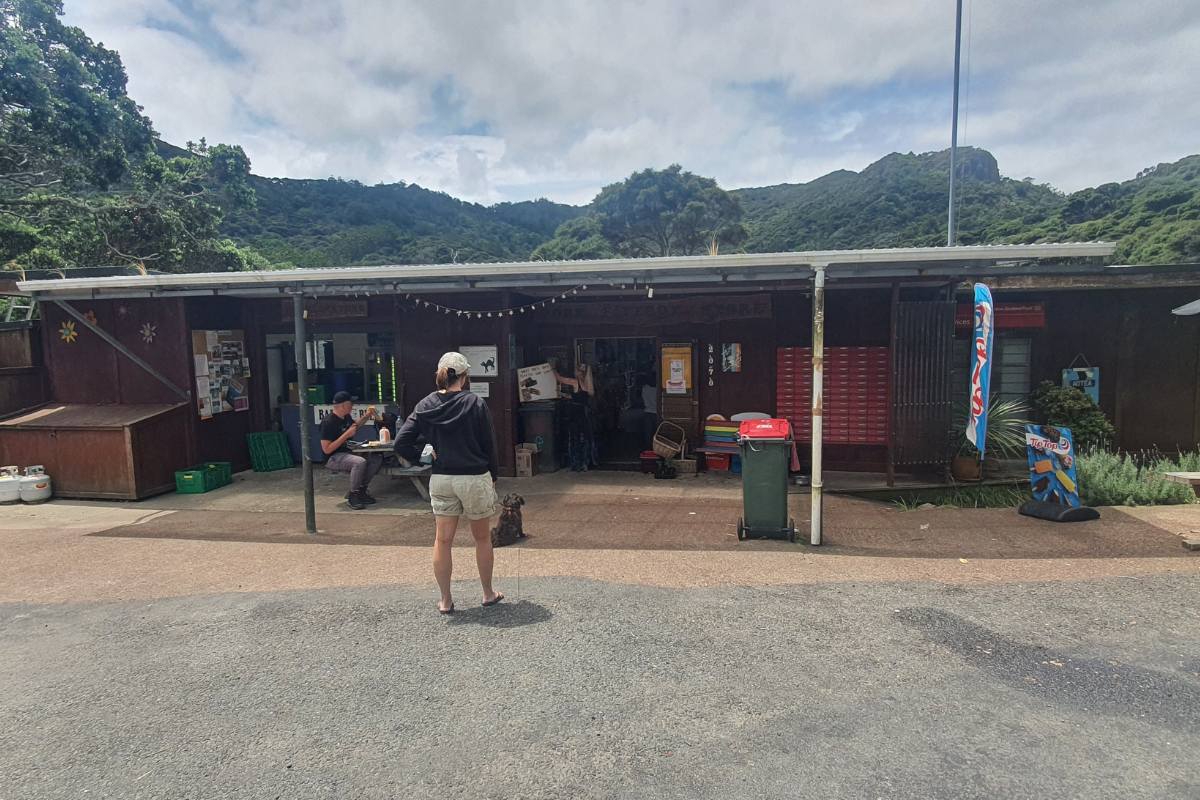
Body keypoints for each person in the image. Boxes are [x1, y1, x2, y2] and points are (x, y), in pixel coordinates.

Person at [395, 352, 502, 614]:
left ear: (439, 375)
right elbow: (490, 443)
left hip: (442, 478)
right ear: (464, 378)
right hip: (474, 477)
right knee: (482, 538)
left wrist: (422, 457)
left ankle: (445, 600)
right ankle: (488, 593)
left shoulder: (425, 405)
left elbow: (401, 443)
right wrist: (494, 475)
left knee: (442, 541)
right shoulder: (475, 403)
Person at [320, 391, 382, 510]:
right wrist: (346, 435)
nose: (352, 406)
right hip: (333, 457)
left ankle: (362, 490)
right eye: (350, 404)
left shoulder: (346, 417)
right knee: (359, 462)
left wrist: (367, 416)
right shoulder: (328, 422)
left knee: (376, 458)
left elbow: (354, 427)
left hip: (348, 451)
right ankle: (353, 495)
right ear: (343, 405)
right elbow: (326, 449)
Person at [554, 363, 598, 471]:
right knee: (585, 439)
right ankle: (585, 463)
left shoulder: (574, 382)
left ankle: (575, 464)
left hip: (575, 415)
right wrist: (565, 395)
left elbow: (559, 379)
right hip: (584, 414)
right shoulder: (588, 385)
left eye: (576, 370)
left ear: (578, 372)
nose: (574, 372)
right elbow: (579, 398)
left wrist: (552, 367)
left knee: (575, 439)